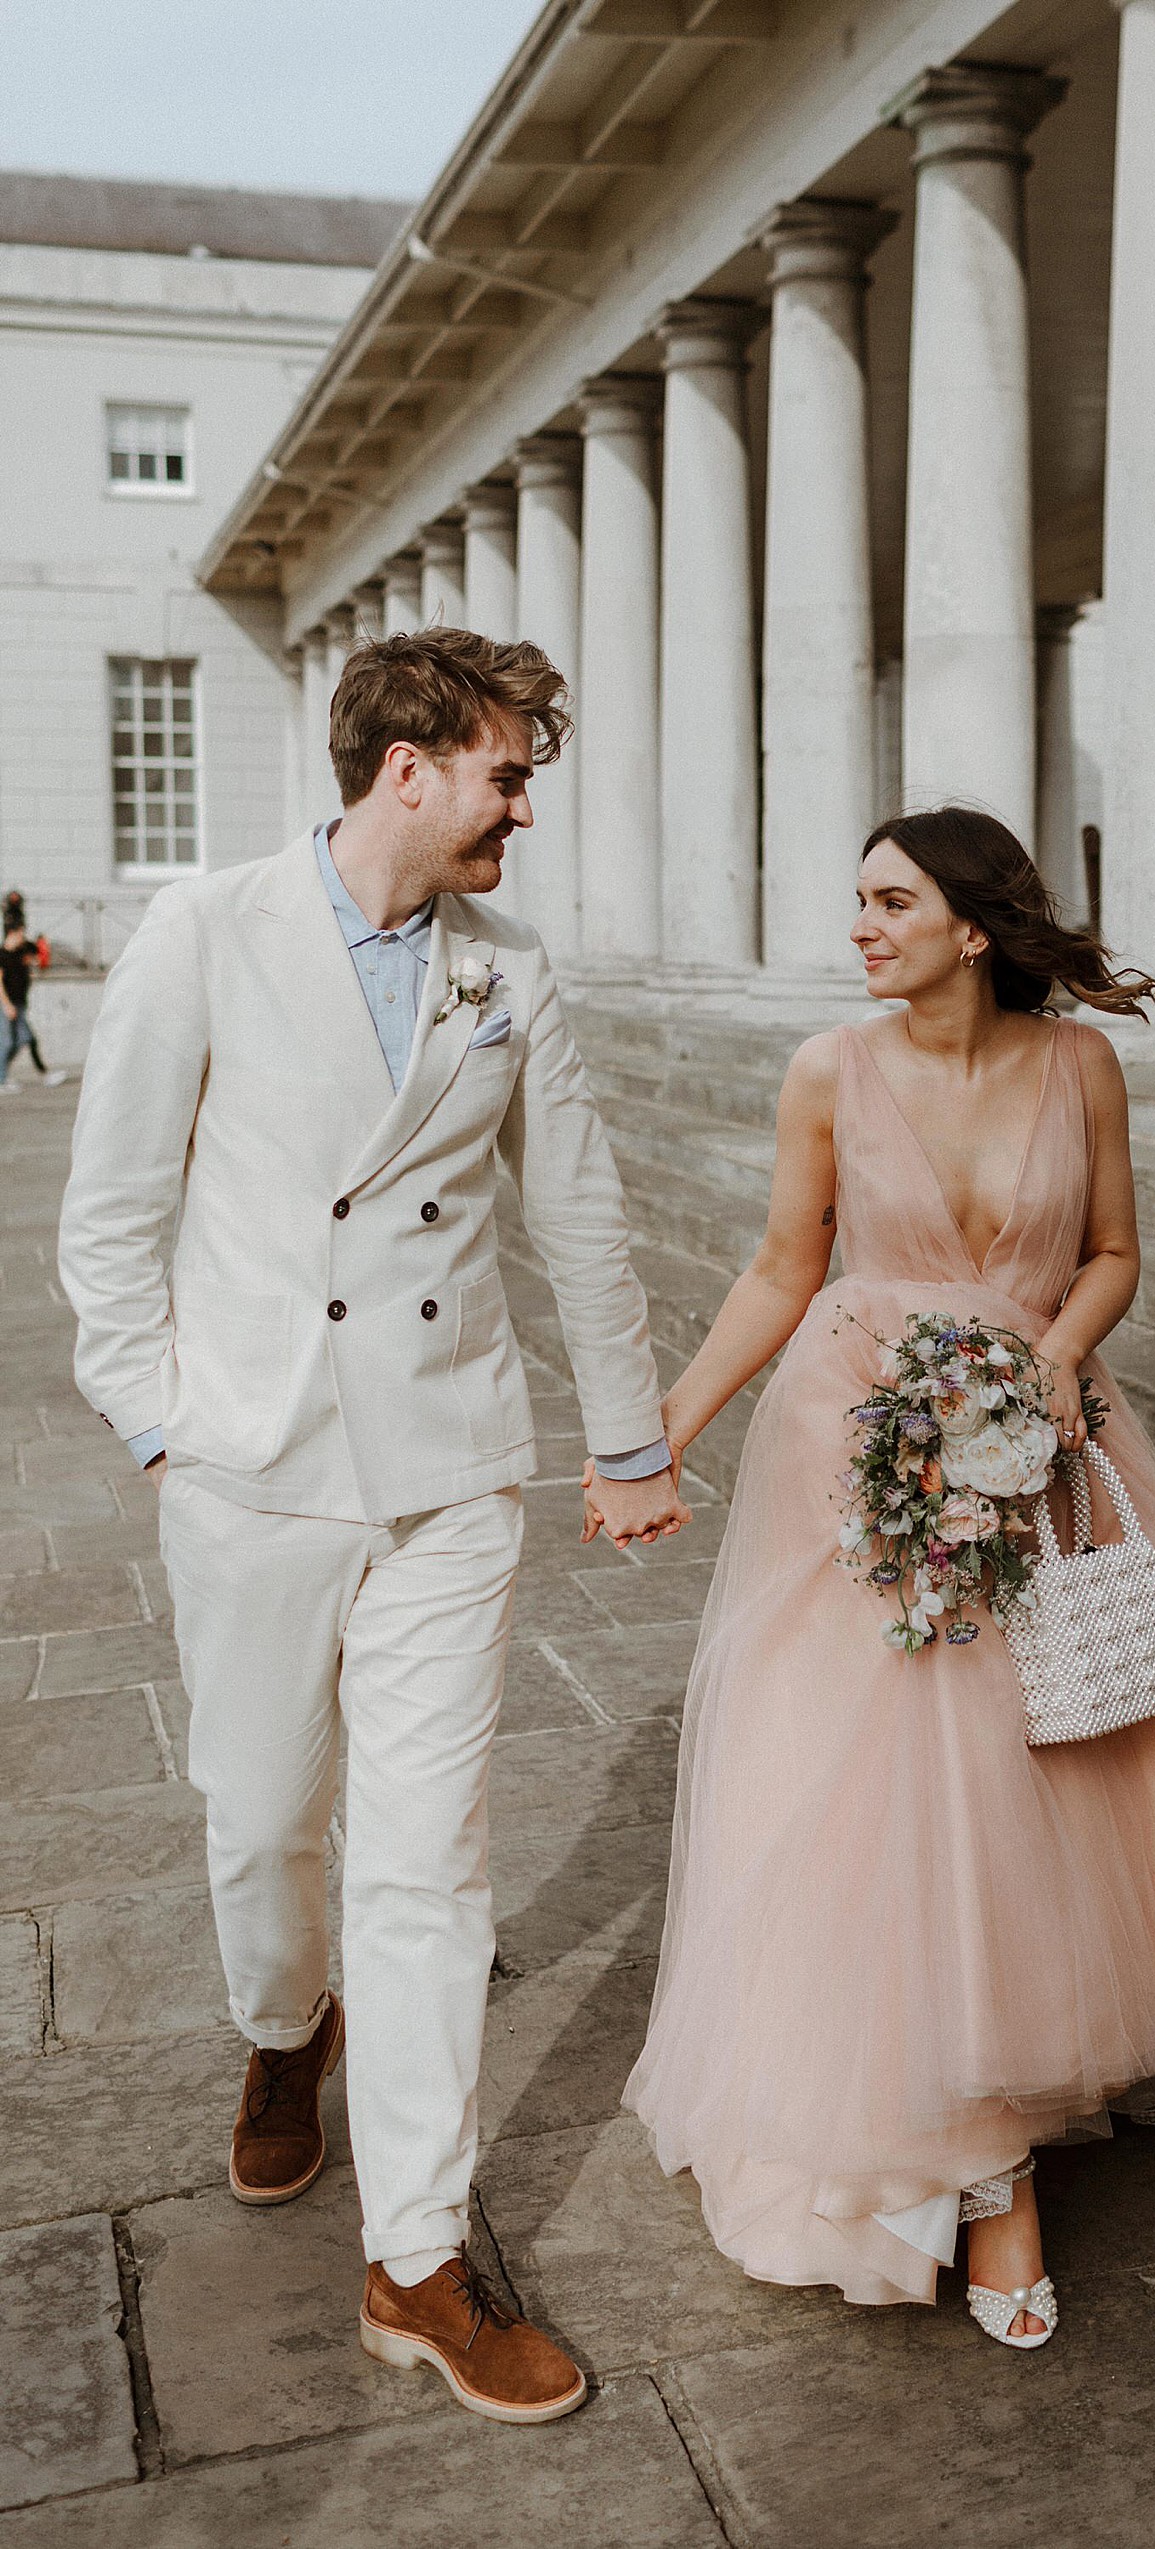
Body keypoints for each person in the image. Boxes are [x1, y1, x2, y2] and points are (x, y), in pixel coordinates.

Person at [626, 806, 1155, 2348]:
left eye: (890, 901)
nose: (861, 926)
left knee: (1089, 1737)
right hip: (866, 1449)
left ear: (975, 926)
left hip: (1047, 1433)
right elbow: (784, 1267)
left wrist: (1043, 1363)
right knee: (909, 1781)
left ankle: (1081, 2044)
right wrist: (656, 1441)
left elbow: (1113, 1250)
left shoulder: (1078, 1066)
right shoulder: (828, 1071)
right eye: (859, 903)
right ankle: (982, 2166)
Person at [58, 628, 688, 2423]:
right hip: (249, 1468)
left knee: (429, 1863)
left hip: (446, 1475)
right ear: (406, 764)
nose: (524, 806)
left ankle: (417, 2254)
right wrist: (162, 1421)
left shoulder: (511, 968)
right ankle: (281, 2029)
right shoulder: (208, 928)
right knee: (264, 1824)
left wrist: (627, 1435)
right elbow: (109, 1212)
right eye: (505, 771)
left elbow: (580, 1212)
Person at [0, 896, 67, 1091]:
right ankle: (6, 1079)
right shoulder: (2, 955)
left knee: (19, 1040)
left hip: (20, 1002)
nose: (23, 936)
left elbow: (41, 954)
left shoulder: (24, 949)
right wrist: (6, 1005)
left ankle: (3, 1075)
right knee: (12, 1040)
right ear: (12, 933)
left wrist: (38, 958)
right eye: (21, 933)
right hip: (8, 1004)